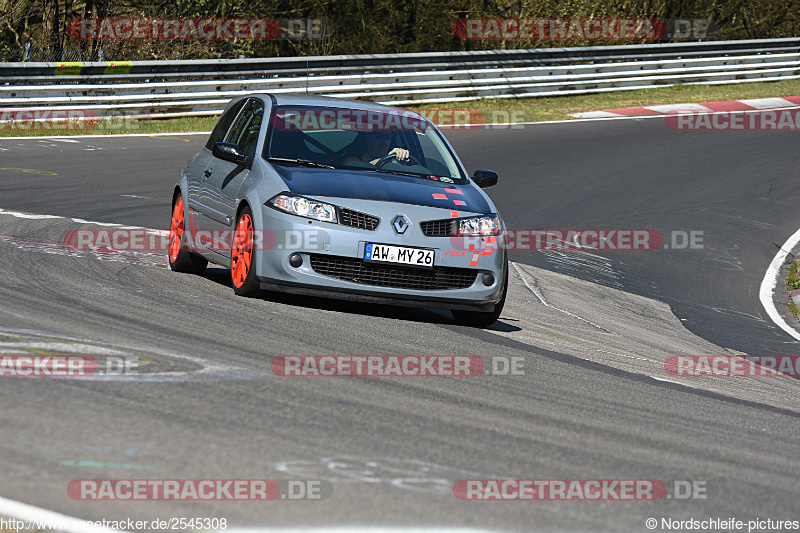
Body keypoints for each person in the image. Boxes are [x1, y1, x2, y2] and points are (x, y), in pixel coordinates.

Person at [343, 131, 410, 166]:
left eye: (388, 137)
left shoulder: (395, 161)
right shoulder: (352, 161)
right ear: (368, 138)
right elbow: (365, 167)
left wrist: (402, 158)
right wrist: (388, 159)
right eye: (379, 136)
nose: (384, 141)